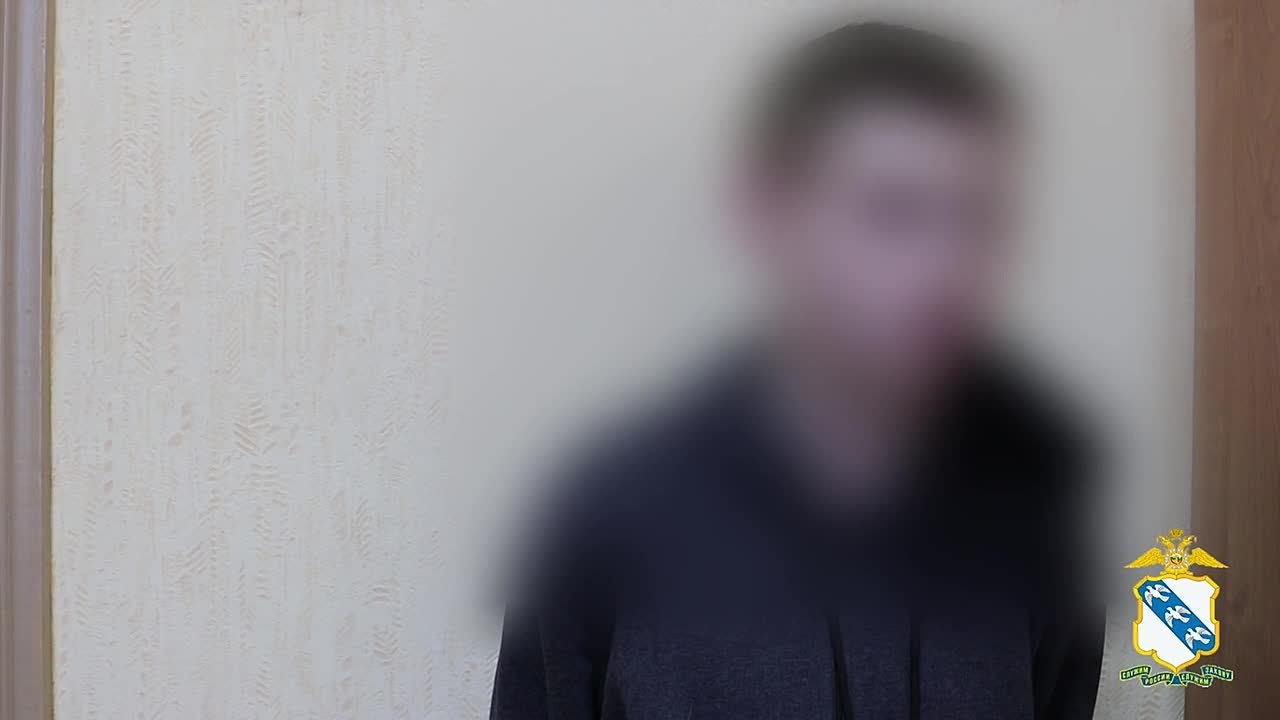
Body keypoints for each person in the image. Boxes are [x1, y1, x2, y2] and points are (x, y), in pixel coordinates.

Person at [490, 21, 1103, 720]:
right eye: (893, 212)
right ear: (769, 214)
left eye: (975, 217)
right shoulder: (605, 515)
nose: (945, 271)